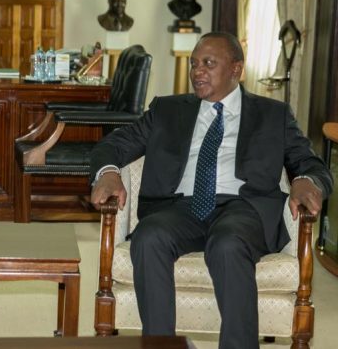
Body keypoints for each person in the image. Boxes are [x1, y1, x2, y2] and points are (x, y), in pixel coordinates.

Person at [90, 32, 332, 349]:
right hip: (179, 207)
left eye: (208, 63)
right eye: (194, 64)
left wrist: (306, 181)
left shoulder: (272, 115)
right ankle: (161, 346)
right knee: (149, 237)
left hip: (242, 208)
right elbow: (113, 144)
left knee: (228, 244)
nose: (197, 71)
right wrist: (107, 173)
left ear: (236, 70)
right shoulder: (167, 110)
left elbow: (314, 165)